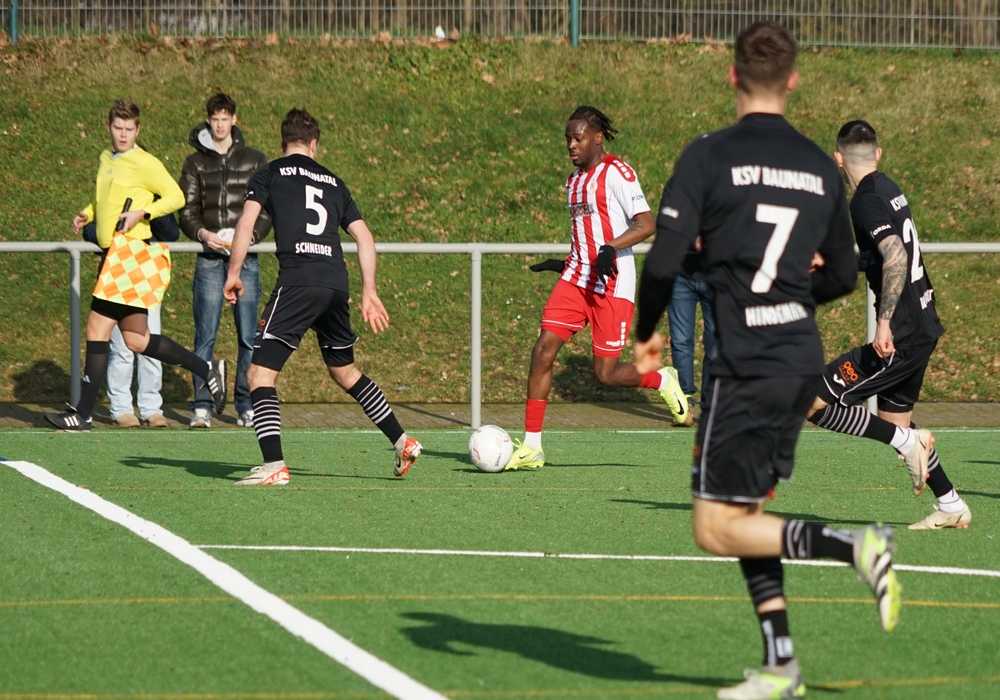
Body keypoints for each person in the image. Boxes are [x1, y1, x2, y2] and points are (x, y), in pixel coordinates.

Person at [633, 23, 901, 699]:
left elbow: (663, 262)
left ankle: (854, 546)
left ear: (732, 76)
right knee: (747, 514)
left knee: (712, 528)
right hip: (797, 357)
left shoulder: (708, 155)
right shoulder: (816, 165)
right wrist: (789, 296)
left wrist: (644, 333)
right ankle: (781, 664)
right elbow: (843, 275)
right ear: (793, 81)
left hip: (744, 362)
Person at [223, 108, 421, 485]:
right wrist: (369, 291)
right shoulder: (334, 182)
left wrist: (234, 274)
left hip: (299, 281)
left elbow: (246, 224)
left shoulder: (270, 172)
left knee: (259, 374)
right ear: (314, 144)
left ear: (283, 143)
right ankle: (402, 441)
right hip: (335, 284)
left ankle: (274, 465)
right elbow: (364, 237)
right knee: (344, 371)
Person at [804, 120, 971, 531]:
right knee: (897, 424)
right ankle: (951, 503)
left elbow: (895, 256)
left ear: (838, 158)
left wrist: (883, 323)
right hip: (922, 325)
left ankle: (910, 443)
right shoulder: (888, 188)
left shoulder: (863, 201)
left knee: (811, 401)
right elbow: (881, 255)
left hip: (901, 334)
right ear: (877, 154)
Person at [508, 106, 688, 471]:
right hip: (577, 279)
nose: (571, 146)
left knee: (605, 374)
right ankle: (532, 446)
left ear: (597, 137)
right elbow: (586, 235)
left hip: (612, 282)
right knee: (542, 351)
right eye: (568, 140)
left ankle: (662, 379)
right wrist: (566, 263)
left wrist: (611, 248)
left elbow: (646, 224)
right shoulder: (574, 181)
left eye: (578, 138)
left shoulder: (618, 173)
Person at [45, 99, 227, 432]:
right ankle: (206, 369)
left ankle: (82, 414)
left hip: (129, 256)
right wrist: (88, 212)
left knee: (97, 330)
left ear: (138, 129)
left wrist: (144, 213)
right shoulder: (107, 158)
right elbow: (106, 198)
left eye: (129, 129)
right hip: (115, 256)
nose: (123, 134)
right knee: (137, 340)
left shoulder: (144, 162)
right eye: (118, 128)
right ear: (109, 127)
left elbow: (176, 197)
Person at [180, 93, 270, 430]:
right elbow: (186, 210)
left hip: (246, 261)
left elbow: (267, 210)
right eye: (214, 119)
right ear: (208, 121)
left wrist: (250, 238)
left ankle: (245, 404)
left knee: (248, 336)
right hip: (209, 259)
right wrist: (202, 233)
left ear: (234, 120)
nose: (220, 125)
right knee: (205, 336)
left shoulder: (256, 160)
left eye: (225, 118)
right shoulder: (194, 163)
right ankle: (202, 405)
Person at [83, 210, 180, 428]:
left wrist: (147, 213)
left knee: (149, 342)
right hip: (117, 276)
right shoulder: (113, 197)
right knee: (122, 348)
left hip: (147, 275)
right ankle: (121, 408)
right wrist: (114, 227)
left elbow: (171, 233)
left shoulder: (154, 202)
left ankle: (151, 408)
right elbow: (90, 231)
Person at [667, 243, 718, 424]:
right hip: (680, 275)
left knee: (716, 345)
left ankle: (710, 405)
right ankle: (684, 402)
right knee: (680, 342)